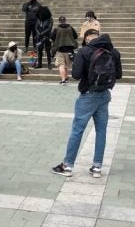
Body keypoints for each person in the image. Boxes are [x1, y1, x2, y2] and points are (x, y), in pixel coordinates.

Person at [51, 30, 122, 179]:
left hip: (88, 95)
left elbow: (76, 75)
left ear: (87, 39)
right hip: (104, 95)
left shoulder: (84, 51)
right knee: (101, 131)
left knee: (77, 130)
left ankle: (67, 165)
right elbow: (119, 75)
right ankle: (97, 167)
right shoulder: (113, 51)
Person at [50, 17, 78, 84]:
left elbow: (51, 38)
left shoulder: (56, 29)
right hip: (69, 50)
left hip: (60, 50)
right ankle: (65, 76)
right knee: (66, 65)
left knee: (61, 65)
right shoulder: (70, 28)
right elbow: (76, 36)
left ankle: (63, 80)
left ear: (59, 21)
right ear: (65, 21)